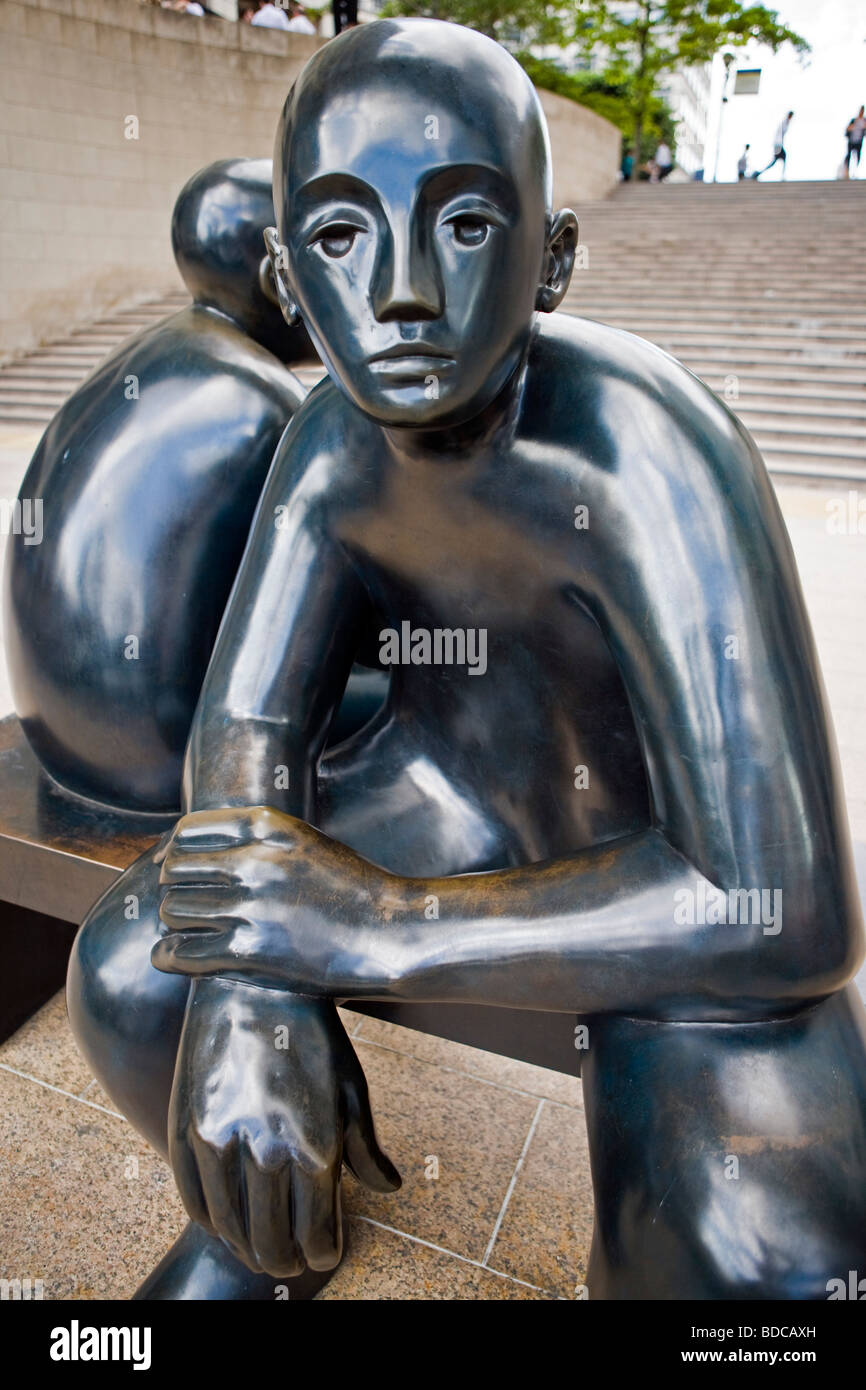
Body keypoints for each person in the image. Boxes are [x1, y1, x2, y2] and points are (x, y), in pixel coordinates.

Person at [68, 19, 866, 1301]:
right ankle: (266, 1228)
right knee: (134, 967)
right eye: (338, 234)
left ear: (552, 259)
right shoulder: (328, 448)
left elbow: (782, 907)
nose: (397, 293)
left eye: (463, 224)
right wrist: (253, 984)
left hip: (657, 886)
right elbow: (248, 731)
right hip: (448, 798)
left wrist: (376, 925)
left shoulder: (649, 455)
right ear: (284, 269)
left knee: (756, 1264)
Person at [4, 161, 308, 812]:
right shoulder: (266, 400)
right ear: (277, 275)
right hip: (164, 748)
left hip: (64, 731)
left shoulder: (159, 355)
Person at [753, 111, 793, 179]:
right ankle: (758, 173)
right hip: (778, 145)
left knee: (775, 162)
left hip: (778, 145)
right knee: (779, 159)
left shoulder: (786, 123)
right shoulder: (784, 122)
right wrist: (778, 146)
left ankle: (758, 173)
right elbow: (780, 134)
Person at [846, 106, 866, 176]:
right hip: (851, 140)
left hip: (859, 141)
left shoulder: (864, 121)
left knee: (857, 156)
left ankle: (855, 170)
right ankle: (847, 170)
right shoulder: (854, 120)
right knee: (848, 155)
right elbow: (848, 128)